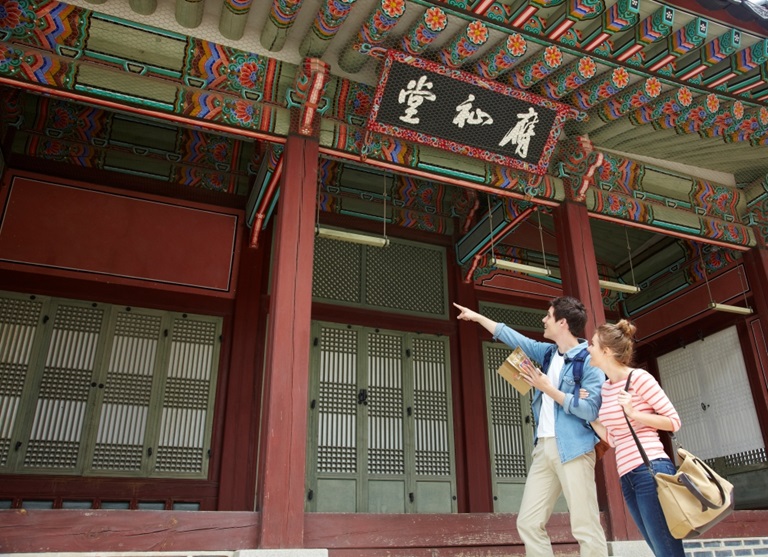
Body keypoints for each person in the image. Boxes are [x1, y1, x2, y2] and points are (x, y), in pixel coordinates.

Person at [454, 297, 608, 557]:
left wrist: (549, 390)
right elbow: (516, 339)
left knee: (585, 526)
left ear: (562, 323)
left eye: (548, 316)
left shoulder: (589, 361)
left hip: (574, 449)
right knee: (528, 521)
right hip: (544, 448)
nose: (543, 320)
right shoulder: (548, 353)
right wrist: (478, 318)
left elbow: (590, 409)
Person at [585, 319, 684, 557]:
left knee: (667, 549)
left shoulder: (639, 379)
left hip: (651, 469)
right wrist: (589, 416)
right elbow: (615, 438)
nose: (588, 348)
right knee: (656, 547)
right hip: (627, 475)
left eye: (592, 344)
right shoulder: (606, 388)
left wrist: (633, 412)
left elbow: (674, 421)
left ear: (606, 351)